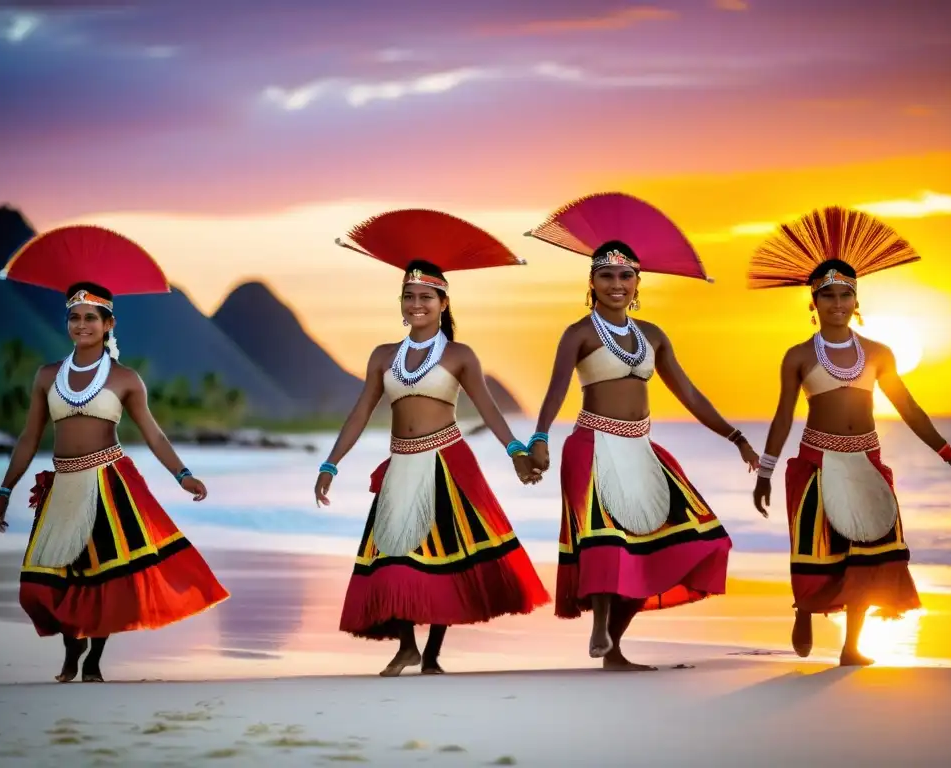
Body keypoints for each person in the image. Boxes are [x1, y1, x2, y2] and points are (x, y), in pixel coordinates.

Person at [525, 193, 759, 672]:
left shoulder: (653, 335)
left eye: (625, 275)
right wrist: (540, 439)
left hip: (641, 448)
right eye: (606, 275)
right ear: (591, 281)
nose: (616, 284)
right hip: (591, 446)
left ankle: (613, 643)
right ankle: (599, 628)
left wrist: (735, 437)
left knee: (696, 540)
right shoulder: (579, 333)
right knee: (607, 543)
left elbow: (691, 395)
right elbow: (555, 392)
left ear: (638, 282)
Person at [317, 210, 550, 677]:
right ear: (400, 303)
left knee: (445, 559)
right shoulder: (384, 356)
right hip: (401, 465)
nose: (416, 304)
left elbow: (488, 409)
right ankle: (406, 646)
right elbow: (361, 411)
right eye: (409, 296)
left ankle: (432, 656)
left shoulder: (461, 356)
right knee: (396, 555)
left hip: (446, 461)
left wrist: (517, 453)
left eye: (426, 296)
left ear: (443, 303)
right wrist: (331, 463)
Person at [747, 206, 951, 666]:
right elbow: (782, 417)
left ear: (857, 301)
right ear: (812, 303)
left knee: (867, 554)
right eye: (828, 295)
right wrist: (766, 473)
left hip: (866, 461)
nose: (837, 304)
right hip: (818, 461)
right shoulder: (797, 356)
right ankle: (806, 609)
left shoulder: (879, 352)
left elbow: (908, 409)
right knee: (817, 550)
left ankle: (852, 646)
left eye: (845, 295)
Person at [0, 282, 229, 682]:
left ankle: (92, 662)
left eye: (90, 318)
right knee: (53, 576)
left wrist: (183, 475)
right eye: (74, 317)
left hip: (108, 483)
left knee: (103, 575)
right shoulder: (47, 376)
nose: (81, 325)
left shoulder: (125, 379)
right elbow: (30, 439)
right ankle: (72, 649)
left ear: (108, 325)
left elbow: (154, 434)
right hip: (63, 486)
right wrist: (4, 490)